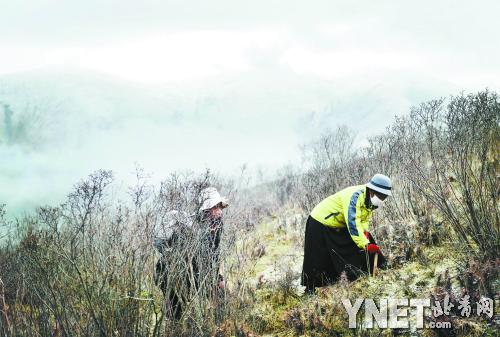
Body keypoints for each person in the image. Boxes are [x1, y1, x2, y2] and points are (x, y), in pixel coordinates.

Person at [301, 174, 392, 293]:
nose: (382, 199)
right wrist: (365, 244)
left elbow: (363, 221)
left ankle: (366, 270)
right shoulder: (356, 196)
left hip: (339, 224)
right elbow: (353, 224)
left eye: (384, 197)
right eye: (380, 195)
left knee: (364, 242)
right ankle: (310, 289)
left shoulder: (370, 202)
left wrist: (365, 237)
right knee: (316, 256)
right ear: (372, 191)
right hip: (319, 221)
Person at [153, 187, 228, 319]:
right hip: (172, 274)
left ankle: (222, 325)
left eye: (220, 207)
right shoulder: (191, 228)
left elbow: (214, 254)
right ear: (206, 210)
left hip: (197, 271)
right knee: (175, 312)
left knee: (222, 296)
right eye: (215, 207)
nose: (219, 212)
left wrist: (217, 279)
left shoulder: (217, 225)